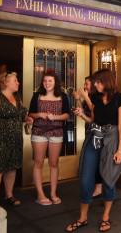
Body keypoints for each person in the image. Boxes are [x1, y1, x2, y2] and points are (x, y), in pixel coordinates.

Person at [67, 69, 121, 232]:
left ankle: (105, 217)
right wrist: (82, 115)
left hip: (112, 140)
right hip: (94, 138)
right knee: (86, 179)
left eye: (98, 82)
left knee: (108, 179)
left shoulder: (119, 98)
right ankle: (82, 218)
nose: (95, 84)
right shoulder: (95, 98)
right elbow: (93, 119)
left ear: (106, 82)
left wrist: (120, 150)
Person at [28, 72, 70, 206]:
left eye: (50, 81)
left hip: (56, 132)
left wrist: (55, 117)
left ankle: (53, 193)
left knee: (54, 163)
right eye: (45, 81)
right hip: (39, 132)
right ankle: (40, 195)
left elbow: (66, 115)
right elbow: (30, 114)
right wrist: (39, 114)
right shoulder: (37, 95)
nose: (47, 83)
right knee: (38, 162)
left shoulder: (63, 96)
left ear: (55, 82)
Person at [0, 72, 32, 206]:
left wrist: (27, 119)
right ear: (6, 83)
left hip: (15, 139)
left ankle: (9, 196)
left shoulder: (17, 98)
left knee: (12, 168)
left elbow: (21, 116)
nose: (18, 83)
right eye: (15, 80)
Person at [75, 76, 103, 198]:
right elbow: (87, 116)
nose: (85, 86)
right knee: (92, 160)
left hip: (98, 133)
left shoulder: (97, 97)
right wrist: (78, 99)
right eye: (84, 83)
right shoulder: (90, 97)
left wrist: (85, 97)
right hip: (90, 129)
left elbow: (94, 112)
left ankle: (99, 187)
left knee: (97, 160)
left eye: (87, 84)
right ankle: (96, 186)